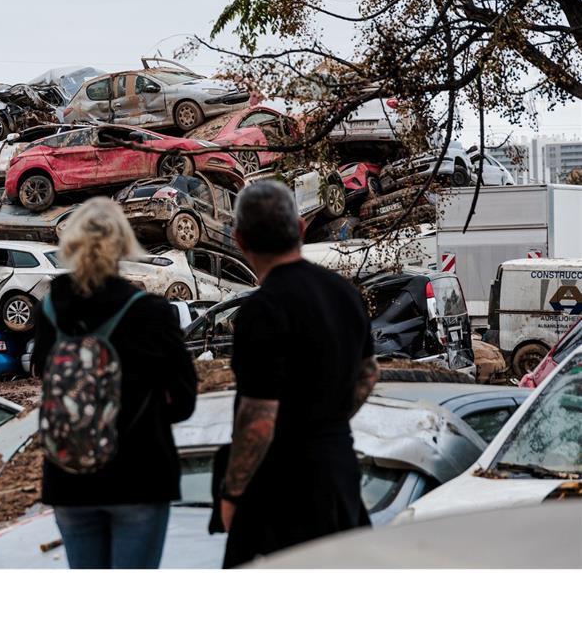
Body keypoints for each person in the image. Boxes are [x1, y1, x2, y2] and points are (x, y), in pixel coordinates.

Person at [219, 180, 379, 568]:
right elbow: (368, 374)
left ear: (239, 240)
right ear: (302, 229)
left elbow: (259, 419)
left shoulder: (261, 309)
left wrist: (232, 492)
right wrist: (327, 417)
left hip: (279, 487)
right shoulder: (345, 292)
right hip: (338, 471)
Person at [31, 197, 197, 568]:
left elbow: (46, 380)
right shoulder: (152, 313)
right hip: (138, 475)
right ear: (124, 244)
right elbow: (184, 402)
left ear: (70, 243)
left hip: (69, 477)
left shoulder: (49, 310)